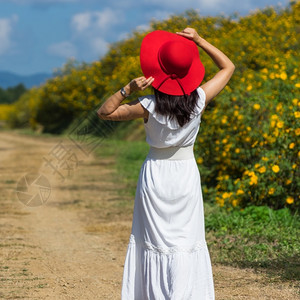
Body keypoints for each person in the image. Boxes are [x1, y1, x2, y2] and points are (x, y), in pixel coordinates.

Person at [96, 27, 235, 299]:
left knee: (154, 242)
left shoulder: (147, 106)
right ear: (188, 70)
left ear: (158, 69)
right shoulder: (200, 100)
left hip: (156, 176)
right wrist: (198, 40)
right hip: (185, 176)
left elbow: (104, 112)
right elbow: (228, 67)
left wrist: (127, 88)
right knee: (185, 241)